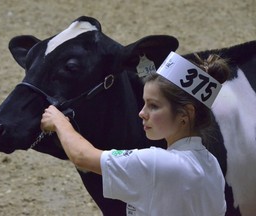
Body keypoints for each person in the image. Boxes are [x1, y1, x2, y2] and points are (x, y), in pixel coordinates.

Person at [41, 51, 229, 216]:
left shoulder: (159, 162)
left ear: (185, 114)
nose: (142, 113)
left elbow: (82, 157)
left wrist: (59, 122)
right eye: (144, 103)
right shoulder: (211, 164)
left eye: (154, 106)